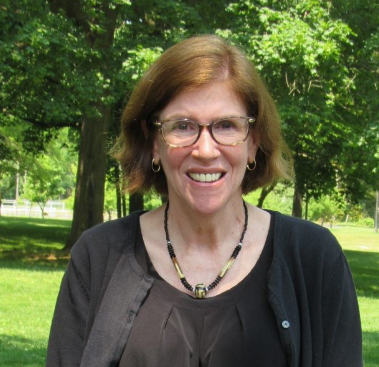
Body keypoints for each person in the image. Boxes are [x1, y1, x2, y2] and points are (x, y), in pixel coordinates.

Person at [46, 35, 363, 367]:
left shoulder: (315, 259)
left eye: (226, 125)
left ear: (253, 142)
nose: (206, 150)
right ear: (153, 141)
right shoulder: (98, 257)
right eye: (182, 126)